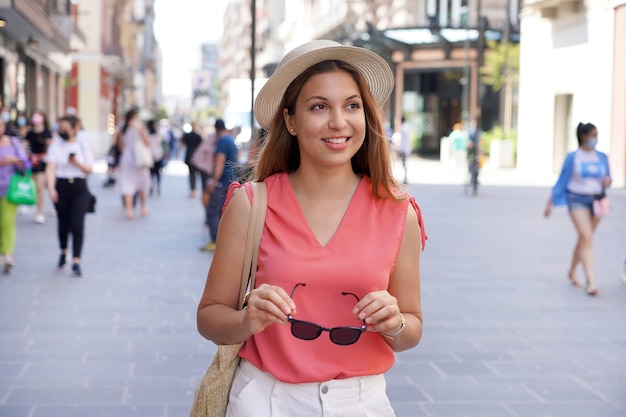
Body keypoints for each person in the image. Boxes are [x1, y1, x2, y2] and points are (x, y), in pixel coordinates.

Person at [196, 40, 426, 416]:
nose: (338, 122)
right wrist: (246, 320)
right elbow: (209, 317)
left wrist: (395, 322)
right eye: (319, 106)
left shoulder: (399, 212)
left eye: (351, 105)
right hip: (265, 402)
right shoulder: (252, 204)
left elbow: (411, 330)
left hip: (362, 403)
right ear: (290, 120)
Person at [544, 122, 611, 296]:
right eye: (592, 135)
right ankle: (591, 281)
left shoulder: (602, 156)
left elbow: (608, 177)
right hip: (577, 200)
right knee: (587, 236)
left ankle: (572, 271)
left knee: (584, 238)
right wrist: (550, 202)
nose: (595, 138)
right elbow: (561, 180)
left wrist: (607, 182)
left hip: (596, 201)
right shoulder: (573, 157)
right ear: (584, 136)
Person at [45, 115, 95, 277]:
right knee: (63, 222)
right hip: (62, 186)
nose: (62, 131)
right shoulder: (56, 146)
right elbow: (51, 168)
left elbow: (89, 169)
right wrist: (51, 188)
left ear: (75, 129)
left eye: (66, 128)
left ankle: (76, 260)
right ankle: (63, 251)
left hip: (80, 187)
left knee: (77, 223)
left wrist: (77, 163)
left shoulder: (83, 145)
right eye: (60, 128)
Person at [199, 118, 238, 252]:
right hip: (231, 180)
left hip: (222, 181)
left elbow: (219, 163)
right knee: (222, 211)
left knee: (212, 211)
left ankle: (215, 241)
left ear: (216, 129)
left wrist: (213, 181)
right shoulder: (230, 139)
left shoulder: (222, 141)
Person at [0, 117, 29, 274]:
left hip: (9, 189)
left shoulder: (12, 142)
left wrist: (12, 159)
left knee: (7, 222)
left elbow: (25, 162)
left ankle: (8, 255)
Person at [115, 109, 151, 219]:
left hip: (127, 157)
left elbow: (120, 146)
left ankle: (129, 210)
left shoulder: (122, 129)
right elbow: (147, 143)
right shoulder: (138, 127)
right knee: (141, 184)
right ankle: (143, 207)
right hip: (137, 158)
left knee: (128, 183)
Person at [25, 109, 52, 224]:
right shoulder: (29, 133)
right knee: (32, 186)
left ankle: (40, 212)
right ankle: (26, 202)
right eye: (34, 116)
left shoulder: (47, 132)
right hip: (31, 162)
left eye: (38, 116)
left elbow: (52, 147)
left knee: (40, 187)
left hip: (42, 162)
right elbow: (24, 145)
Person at [181, 121, 207, 198]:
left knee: (191, 173)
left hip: (189, 155)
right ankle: (195, 189)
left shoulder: (187, 135)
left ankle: (193, 189)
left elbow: (182, 143)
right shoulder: (198, 136)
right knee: (196, 173)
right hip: (196, 156)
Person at [146, 119, 166, 196]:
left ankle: (151, 187)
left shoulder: (147, 134)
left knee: (151, 172)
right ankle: (157, 185)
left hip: (150, 154)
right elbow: (162, 143)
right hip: (157, 154)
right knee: (158, 172)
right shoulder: (158, 134)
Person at [396, 116, 411, 184]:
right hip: (406, 148)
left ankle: (405, 178)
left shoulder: (403, 128)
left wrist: (401, 149)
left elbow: (403, 141)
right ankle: (405, 177)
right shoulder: (406, 127)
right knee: (404, 163)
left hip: (404, 149)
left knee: (404, 163)